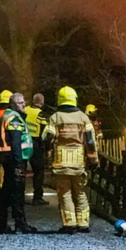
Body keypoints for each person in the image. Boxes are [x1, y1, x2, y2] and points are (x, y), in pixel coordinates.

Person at [43, 86, 97, 234]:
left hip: (61, 163)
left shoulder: (55, 117)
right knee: (80, 193)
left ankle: (69, 224)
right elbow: (90, 142)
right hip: (78, 163)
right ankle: (83, 224)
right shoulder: (83, 118)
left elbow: (47, 138)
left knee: (65, 193)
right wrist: (93, 161)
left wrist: (47, 156)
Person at [0, 92, 37, 234]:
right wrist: (19, 165)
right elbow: (15, 142)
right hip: (15, 160)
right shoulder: (14, 119)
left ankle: (1, 224)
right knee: (17, 193)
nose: (24, 104)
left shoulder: (8, 115)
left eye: (24, 102)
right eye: (20, 103)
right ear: (12, 104)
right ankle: (21, 223)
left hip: (8, 159)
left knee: (6, 192)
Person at [24, 93, 49, 206]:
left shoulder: (25, 110)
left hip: (23, 141)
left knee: (21, 170)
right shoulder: (40, 114)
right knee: (38, 170)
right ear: (42, 102)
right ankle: (37, 197)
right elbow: (44, 131)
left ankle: (18, 195)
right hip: (36, 143)